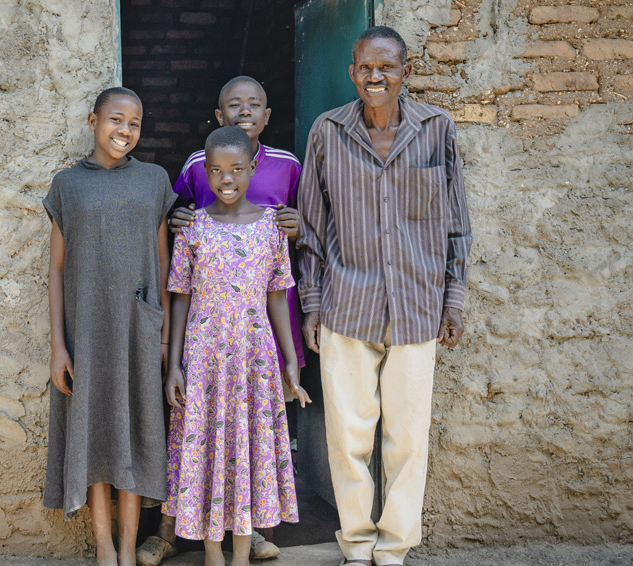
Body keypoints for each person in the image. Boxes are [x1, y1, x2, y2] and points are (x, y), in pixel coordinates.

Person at [295, 26, 473, 566]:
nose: (376, 77)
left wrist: (454, 299)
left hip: (418, 308)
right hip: (348, 306)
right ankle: (356, 546)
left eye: (387, 68)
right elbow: (310, 227)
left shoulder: (435, 130)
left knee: (408, 441)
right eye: (365, 68)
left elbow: (457, 224)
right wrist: (312, 303)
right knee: (349, 440)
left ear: (406, 71)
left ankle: (393, 549)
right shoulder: (328, 132)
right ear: (352, 72)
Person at [137, 76, 303, 566]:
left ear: (254, 164)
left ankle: (250, 532)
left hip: (254, 354)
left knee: (250, 437)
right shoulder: (193, 191)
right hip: (206, 355)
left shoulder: (282, 184)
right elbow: (179, 284)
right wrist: (173, 360)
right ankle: (187, 535)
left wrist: (291, 357)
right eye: (234, 104)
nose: (226, 178)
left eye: (255, 105)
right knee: (199, 440)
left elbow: (279, 292)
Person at [43, 86, 176, 566]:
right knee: (96, 434)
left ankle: (127, 547)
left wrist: (162, 334)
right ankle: (104, 550)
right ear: (92, 120)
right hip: (87, 332)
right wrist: (59, 346)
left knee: (136, 436)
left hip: (139, 331)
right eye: (116, 120)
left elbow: (164, 262)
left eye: (135, 123)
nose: (125, 130)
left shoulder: (154, 181)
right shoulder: (67, 185)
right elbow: (57, 270)